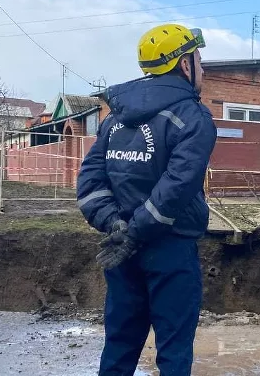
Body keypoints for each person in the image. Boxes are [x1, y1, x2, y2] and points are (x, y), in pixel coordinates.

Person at [76, 23, 216, 376]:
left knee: (120, 345)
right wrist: (135, 232)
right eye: (198, 57)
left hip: (120, 247)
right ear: (185, 65)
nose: (203, 66)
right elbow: (177, 187)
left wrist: (116, 226)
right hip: (170, 248)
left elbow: (90, 179)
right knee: (173, 349)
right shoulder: (193, 117)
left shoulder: (115, 118)